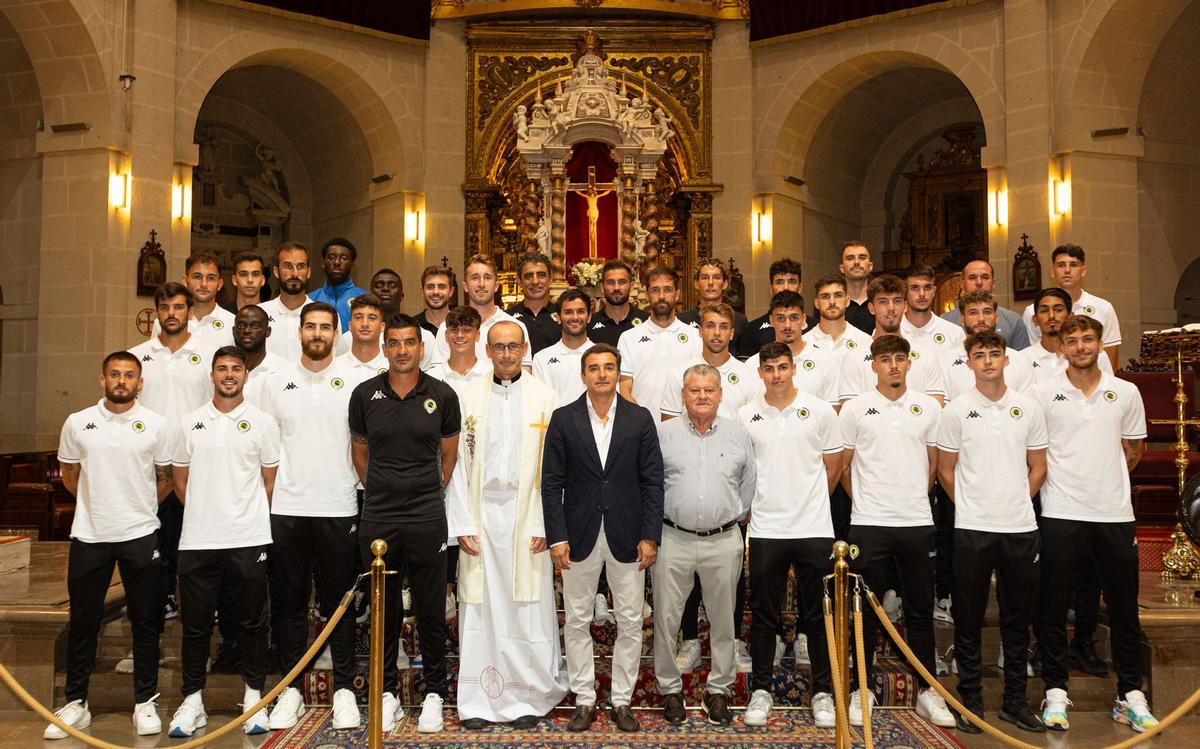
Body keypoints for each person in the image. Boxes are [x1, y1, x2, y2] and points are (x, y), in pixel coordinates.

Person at [1033, 315, 1158, 733]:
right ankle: (1055, 691)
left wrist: (1104, 480)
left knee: (1124, 608)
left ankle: (1130, 694)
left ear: (1101, 344)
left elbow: (1134, 450)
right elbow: (1034, 450)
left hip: (1113, 514)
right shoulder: (1042, 392)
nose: (1081, 346)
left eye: (1088, 339)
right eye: (1072, 340)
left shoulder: (1126, 392)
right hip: (1060, 511)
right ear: (1062, 347)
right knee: (1053, 607)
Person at [44, 352, 173, 740]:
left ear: (140, 383)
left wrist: (141, 507)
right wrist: (96, 504)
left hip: (140, 534)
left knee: (146, 621)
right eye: (115, 374)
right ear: (102, 380)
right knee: (83, 621)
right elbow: (70, 474)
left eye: (129, 375)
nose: (122, 381)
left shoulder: (157, 424)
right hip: (90, 535)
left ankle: (145, 702)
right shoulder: (78, 422)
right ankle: (76, 703)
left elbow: (165, 478)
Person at [446, 321, 568, 728]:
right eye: (498, 347)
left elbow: (556, 470)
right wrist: (462, 521)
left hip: (526, 514)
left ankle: (526, 696)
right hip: (480, 513)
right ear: (487, 350)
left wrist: (545, 523)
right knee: (480, 607)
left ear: (525, 348)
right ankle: (479, 699)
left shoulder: (546, 398)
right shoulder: (466, 398)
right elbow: (454, 465)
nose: (506, 354)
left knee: (526, 608)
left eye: (513, 347)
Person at [542, 344, 664, 733]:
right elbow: (551, 484)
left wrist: (650, 534)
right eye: (593, 368)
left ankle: (622, 700)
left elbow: (653, 481)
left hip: (628, 535)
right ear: (583, 375)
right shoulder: (563, 418)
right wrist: (556, 536)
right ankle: (584, 698)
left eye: (609, 368)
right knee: (577, 620)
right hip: (577, 535)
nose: (601, 374)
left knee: (630, 621)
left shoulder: (639, 418)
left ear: (618, 373)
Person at [349, 314, 461, 734]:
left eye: (409, 342)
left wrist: (426, 491)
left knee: (431, 609)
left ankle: (435, 693)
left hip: (427, 515)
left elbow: (448, 455)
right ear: (384, 349)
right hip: (379, 516)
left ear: (421, 348)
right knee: (384, 610)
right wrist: (384, 490)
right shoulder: (364, 394)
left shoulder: (442, 395)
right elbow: (360, 455)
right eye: (393, 343)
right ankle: (386, 693)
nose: (401, 350)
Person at [256, 302, 362, 731]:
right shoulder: (273, 381)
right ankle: (290, 690)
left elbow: (364, 444)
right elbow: (264, 447)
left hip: (338, 504)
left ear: (337, 334)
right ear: (299, 331)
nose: (317, 333)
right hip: (287, 506)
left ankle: (344, 690)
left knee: (341, 602)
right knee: (289, 604)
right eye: (311, 326)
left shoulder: (355, 380)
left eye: (325, 327)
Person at [839, 335, 954, 729]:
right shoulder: (855, 408)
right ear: (873, 365)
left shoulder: (929, 408)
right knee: (865, 612)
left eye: (900, 358)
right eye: (885, 359)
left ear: (909, 363)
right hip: (869, 524)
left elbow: (934, 465)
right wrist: (865, 502)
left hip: (916, 523)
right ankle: (862, 688)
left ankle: (927, 690)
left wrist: (911, 499)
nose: (893, 365)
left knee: (920, 610)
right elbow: (844, 466)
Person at [936, 330, 1047, 734]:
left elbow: (1038, 466)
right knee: (968, 617)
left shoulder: (1028, 407)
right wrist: (969, 505)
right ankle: (971, 700)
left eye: (994, 354)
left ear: (1005, 359)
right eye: (979, 354)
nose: (987, 361)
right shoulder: (956, 410)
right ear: (969, 362)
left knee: (1018, 619)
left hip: (1020, 527)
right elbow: (944, 470)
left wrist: (1017, 497)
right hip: (972, 528)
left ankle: (1015, 702)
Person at [167, 346, 280, 738]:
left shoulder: (263, 423)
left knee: (252, 622)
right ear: (212, 375)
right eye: (221, 368)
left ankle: (254, 697)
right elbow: (180, 480)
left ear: (246, 375)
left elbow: (269, 481)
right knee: (196, 625)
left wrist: (242, 514)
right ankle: (192, 701)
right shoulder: (190, 423)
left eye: (235, 368)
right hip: (198, 539)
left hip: (248, 537)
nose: (229, 374)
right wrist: (207, 510)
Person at [739, 342, 839, 728]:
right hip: (767, 528)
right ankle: (762, 690)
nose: (776, 374)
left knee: (817, 614)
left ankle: (823, 692)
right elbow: (743, 470)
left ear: (794, 368)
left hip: (814, 528)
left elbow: (834, 465)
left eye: (782, 367)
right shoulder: (746, 414)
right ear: (760, 373)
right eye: (769, 368)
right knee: (764, 615)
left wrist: (809, 503)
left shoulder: (820, 410)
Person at [653, 364, 756, 727]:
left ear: (720, 394)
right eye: (694, 390)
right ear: (683, 395)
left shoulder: (738, 434)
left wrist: (728, 517)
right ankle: (670, 689)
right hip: (672, 538)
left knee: (724, 620)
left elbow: (748, 485)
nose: (702, 396)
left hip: (723, 540)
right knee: (666, 619)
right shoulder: (663, 434)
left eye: (709, 390)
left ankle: (719, 690)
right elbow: (649, 483)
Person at [129, 283, 216, 624]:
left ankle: (201, 608)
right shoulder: (137, 355)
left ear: (190, 311)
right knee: (156, 540)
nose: (171, 313)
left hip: (196, 464)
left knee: (194, 540)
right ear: (157, 312)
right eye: (165, 307)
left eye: (178, 307)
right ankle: (161, 600)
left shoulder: (208, 354)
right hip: (150, 466)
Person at [837, 274, 947, 405]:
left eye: (897, 301)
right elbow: (851, 411)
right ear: (871, 308)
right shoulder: (854, 358)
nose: (891, 308)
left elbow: (935, 408)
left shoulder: (926, 356)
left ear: (905, 306)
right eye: (883, 302)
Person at [617, 266, 702, 413]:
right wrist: (641, 420)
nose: (661, 296)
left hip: (684, 423)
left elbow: (701, 386)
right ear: (647, 294)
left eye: (668, 290)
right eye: (655, 290)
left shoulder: (696, 337)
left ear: (677, 294)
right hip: (641, 423)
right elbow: (624, 388)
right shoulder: (628, 338)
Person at [1021, 245, 1121, 369]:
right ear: (1052, 271)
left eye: (1073, 265)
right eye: (1061, 265)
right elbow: (1030, 357)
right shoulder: (1032, 311)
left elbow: (1110, 364)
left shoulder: (1104, 308)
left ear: (1083, 271)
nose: (1067, 270)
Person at [434, 254, 532, 369]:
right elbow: (438, 375)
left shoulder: (516, 327)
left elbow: (524, 373)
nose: (481, 284)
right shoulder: (448, 327)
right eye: (475, 278)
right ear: (465, 286)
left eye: (487, 277)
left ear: (496, 285)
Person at [662, 303, 756, 421]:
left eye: (723, 327)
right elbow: (669, 427)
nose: (717, 332)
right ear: (700, 331)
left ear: (731, 334)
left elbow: (753, 425)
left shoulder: (748, 375)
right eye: (710, 326)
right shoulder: (678, 374)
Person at [744, 291, 838, 405]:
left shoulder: (826, 359)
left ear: (804, 320)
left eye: (794, 318)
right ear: (771, 321)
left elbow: (833, 409)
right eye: (780, 318)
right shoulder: (752, 365)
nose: (787, 325)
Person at [942, 291, 1035, 402]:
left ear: (996, 318)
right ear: (962, 319)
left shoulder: (1019, 360)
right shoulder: (944, 362)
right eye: (973, 313)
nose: (981, 319)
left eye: (987, 312)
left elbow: (1027, 406)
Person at [941, 260, 1030, 350]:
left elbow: (1021, 357)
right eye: (972, 278)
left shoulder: (1014, 321)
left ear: (993, 284)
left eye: (985, 277)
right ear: (962, 284)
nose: (979, 283)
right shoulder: (944, 321)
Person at [151, 253, 235, 348]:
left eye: (211, 278)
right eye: (197, 277)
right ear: (185, 281)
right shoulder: (163, 323)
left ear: (219, 284)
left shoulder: (233, 323)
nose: (204, 284)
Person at [677, 258, 751, 357]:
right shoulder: (681, 320)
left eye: (716, 277)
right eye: (705, 278)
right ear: (696, 283)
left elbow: (744, 360)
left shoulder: (739, 320)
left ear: (725, 284)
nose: (710, 283)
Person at [533, 288, 594, 407]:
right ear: (558, 317)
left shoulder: (602, 357)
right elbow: (538, 402)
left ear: (589, 316)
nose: (575, 317)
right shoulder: (541, 359)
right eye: (568, 312)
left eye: (581, 311)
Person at [258, 242, 315, 361]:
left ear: (308, 272)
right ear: (276, 272)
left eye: (300, 266)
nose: (294, 273)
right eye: (288, 266)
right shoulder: (259, 313)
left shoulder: (325, 316)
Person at [802, 274, 873, 363]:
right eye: (825, 297)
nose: (832, 302)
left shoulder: (865, 341)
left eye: (838, 295)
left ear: (847, 301)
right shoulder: (803, 343)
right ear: (816, 303)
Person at [745, 257, 807, 356]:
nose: (786, 287)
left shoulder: (814, 326)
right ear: (771, 289)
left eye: (792, 281)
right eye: (779, 282)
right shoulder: (751, 329)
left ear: (800, 288)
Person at [901, 263, 965, 357]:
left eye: (927, 287)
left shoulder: (954, 333)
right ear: (905, 292)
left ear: (934, 291)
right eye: (915, 288)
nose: (922, 294)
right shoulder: (892, 332)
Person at [308, 238, 367, 333]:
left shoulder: (365, 299)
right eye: (331, 257)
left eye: (344, 258)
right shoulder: (310, 299)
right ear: (323, 264)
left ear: (352, 266)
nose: (337, 262)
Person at [507, 252, 561, 355]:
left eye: (541, 275)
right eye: (528, 276)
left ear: (550, 279)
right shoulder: (507, 318)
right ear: (519, 281)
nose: (535, 281)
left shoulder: (562, 317)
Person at [428, 305, 493, 390]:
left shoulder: (491, 375)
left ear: (477, 335)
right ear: (446, 335)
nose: (460, 335)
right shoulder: (431, 378)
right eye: (454, 330)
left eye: (467, 330)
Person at [236, 305, 288, 407]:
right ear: (234, 331)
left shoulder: (285, 370)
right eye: (241, 326)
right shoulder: (222, 371)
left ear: (268, 331)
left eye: (255, 326)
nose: (247, 330)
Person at [588, 260, 647, 346]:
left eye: (622, 282)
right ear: (602, 288)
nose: (616, 288)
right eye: (610, 282)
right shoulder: (589, 324)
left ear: (631, 286)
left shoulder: (646, 321)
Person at [337, 294, 389, 380]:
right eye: (358, 317)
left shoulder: (392, 368)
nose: (365, 324)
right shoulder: (334, 367)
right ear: (350, 325)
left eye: (372, 318)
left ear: (382, 327)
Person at [839, 241, 876, 334]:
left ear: (870, 266)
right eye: (850, 258)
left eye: (862, 258)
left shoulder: (882, 301)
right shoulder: (832, 303)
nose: (856, 262)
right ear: (842, 268)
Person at [417, 265, 456, 337]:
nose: (436, 292)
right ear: (422, 291)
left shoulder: (462, 325)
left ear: (451, 291)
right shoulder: (412, 325)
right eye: (430, 287)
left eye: (442, 287)